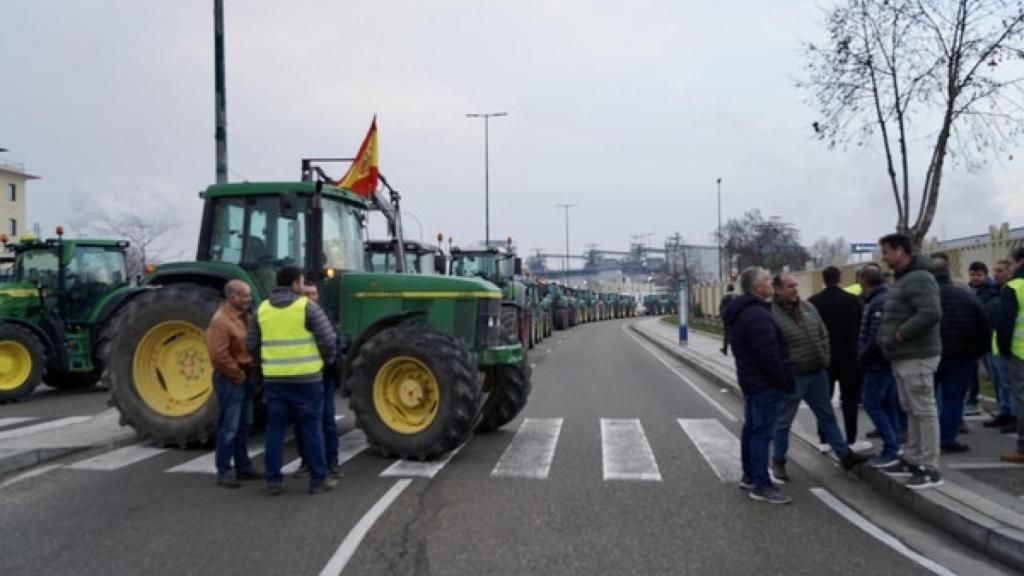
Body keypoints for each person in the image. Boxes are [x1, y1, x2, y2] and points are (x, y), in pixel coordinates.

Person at [769, 273, 869, 483]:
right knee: (783, 421)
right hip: (793, 377)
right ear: (776, 290)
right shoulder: (772, 313)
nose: (794, 289)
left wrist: (825, 358)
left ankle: (845, 456)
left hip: (817, 373)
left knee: (827, 417)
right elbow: (771, 347)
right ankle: (779, 460)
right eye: (789, 286)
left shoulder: (807, 307)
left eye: (795, 285)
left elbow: (823, 333)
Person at [248, 266, 338, 495]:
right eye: (300, 281)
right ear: (295, 284)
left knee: (275, 430)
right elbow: (328, 340)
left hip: (275, 380)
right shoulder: (307, 307)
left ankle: (273, 481)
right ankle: (319, 480)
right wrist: (323, 363)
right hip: (307, 380)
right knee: (312, 428)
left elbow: (252, 345)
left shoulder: (262, 310)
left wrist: (266, 364)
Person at [722, 267, 794, 504]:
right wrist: (783, 381)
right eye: (766, 280)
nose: (771, 284)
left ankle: (750, 475)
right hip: (765, 383)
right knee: (762, 434)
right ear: (756, 287)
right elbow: (768, 355)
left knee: (752, 430)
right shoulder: (757, 315)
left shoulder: (743, 311)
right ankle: (762, 484)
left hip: (751, 380)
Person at [877, 233, 944, 489]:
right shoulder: (905, 278)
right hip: (904, 355)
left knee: (923, 409)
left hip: (918, 354)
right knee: (911, 408)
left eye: (885, 252)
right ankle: (913, 458)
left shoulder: (919, 278)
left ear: (900, 251)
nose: (883, 258)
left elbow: (930, 313)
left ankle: (929, 467)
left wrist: (901, 333)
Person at [931, 255, 990, 454]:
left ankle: (928, 438)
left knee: (927, 400)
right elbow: (983, 326)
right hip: (962, 358)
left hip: (931, 356)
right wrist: (977, 353)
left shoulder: (925, 297)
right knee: (954, 400)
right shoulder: (966, 297)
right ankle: (947, 439)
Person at [206, 280, 261, 488]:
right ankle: (224, 470)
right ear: (231, 297)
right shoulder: (220, 321)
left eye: (248, 295)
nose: (249, 299)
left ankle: (243, 466)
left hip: (246, 376)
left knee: (244, 424)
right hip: (231, 379)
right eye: (244, 296)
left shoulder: (245, 317)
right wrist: (237, 375)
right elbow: (218, 354)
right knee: (229, 427)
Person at [809, 266, 866, 450]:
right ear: (840, 279)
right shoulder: (853, 300)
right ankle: (851, 438)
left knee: (824, 400)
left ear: (823, 280)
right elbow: (861, 327)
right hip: (850, 356)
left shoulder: (813, 302)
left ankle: (824, 439)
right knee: (849, 399)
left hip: (825, 357)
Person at [293, 282, 342, 480]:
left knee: (327, 420)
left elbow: (334, 343)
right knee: (303, 422)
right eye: (307, 293)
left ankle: (332, 463)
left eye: (314, 293)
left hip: (324, 376)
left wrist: (329, 364)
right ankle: (306, 462)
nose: (311, 297)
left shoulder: (324, 317)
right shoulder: (295, 318)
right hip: (304, 377)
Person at [858, 264, 902, 468]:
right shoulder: (885, 297)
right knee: (887, 403)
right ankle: (895, 443)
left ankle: (891, 447)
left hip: (878, 362)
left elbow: (875, 336)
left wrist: (862, 357)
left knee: (871, 402)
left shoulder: (877, 302)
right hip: (887, 360)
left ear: (863, 282)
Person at [984, 260, 1016, 430]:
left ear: (1010, 272)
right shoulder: (994, 291)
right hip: (994, 343)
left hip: (1009, 345)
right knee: (1001, 383)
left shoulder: (1012, 291)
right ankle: (1004, 412)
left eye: (1000, 271)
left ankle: (1013, 416)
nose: (996, 274)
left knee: (1010, 384)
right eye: (995, 271)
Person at [999, 248, 1024, 463]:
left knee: (1022, 402)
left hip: (1019, 353)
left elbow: (1005, 325)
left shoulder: (1014, 287)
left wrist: (1004, 352)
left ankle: (1023, 448)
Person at [719, 284, 738, 355]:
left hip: (727, 318)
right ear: (733, 289)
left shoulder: (725, 297)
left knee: (727, 333)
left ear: (728, 289)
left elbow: (721, 307)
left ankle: (725, 349)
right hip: (736, 318)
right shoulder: (737, 297)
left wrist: (722, 316)